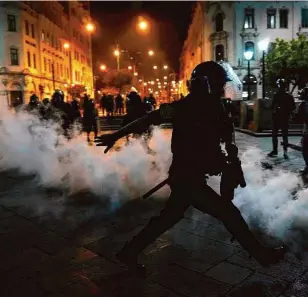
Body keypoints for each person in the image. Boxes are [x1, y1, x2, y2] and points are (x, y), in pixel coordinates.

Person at [96, 61, 285, 273]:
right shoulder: (182, 108)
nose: (223, 88)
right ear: (208, 84)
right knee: (228, 214)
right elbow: (148, 119)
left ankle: (129, 252)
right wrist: (115, 135)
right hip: (187, 177)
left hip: (189, 177)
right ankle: (262, 256)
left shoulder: (213, 108)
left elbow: (226, 136)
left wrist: (232, 161)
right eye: (219, 84)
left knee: (169, 217)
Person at [268, 78, 296, 159]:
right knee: (284, 135)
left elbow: (272, 106)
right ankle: (284, 152)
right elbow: (293, 107)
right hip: (283, 117)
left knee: (276, 135)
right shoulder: (288, 96)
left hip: (278, 117)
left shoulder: (277, 95)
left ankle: (276, 150)